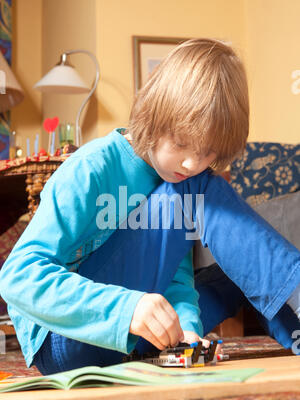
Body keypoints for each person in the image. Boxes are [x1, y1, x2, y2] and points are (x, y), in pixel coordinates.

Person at [0, 39, 299, 376]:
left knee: (238, 272)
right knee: (199, 186)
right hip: (66, 339)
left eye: (207, 152)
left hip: (141, 337)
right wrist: (127, 308)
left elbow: (174, 274)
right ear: (153, 115)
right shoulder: (92, 168)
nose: (190, 162)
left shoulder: (175, 180)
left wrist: (187, 332)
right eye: (182, 143)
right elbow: (16, 277)